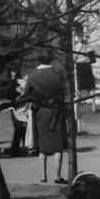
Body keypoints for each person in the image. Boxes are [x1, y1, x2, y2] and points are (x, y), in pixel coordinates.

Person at [23, 50, 68, 184]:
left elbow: (27, 94)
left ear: (38, 60)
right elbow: (64, 90)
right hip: (56, 110)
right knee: (57, 144)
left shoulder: (32, 76)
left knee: (42, 144)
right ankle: (57, 176)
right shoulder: (58, 73)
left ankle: (43, 176)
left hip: (41, 112)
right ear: (51, 59)